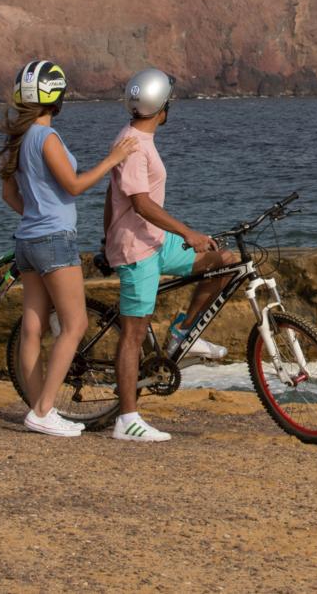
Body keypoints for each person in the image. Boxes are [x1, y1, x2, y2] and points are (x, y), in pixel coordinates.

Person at [0, 59, 137, 437]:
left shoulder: (20, 139)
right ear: (55, 98)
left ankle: (37, 409)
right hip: (54, 240)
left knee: (33, 326)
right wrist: (113, 160)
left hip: (27, 240)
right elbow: (73, 186)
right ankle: (43, 411)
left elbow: (9, 193)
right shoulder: (47, 138)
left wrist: (37, 214)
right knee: (75, 324)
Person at [103, 67, 240, 443]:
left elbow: (109, 196)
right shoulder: (133, 144)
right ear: (163, 107)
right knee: (132, 335)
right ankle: (126, 419)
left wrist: (105, 237)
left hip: (156, 242)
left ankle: (184, 333)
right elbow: (141, 203)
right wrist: (187, 232)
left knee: (225, 262)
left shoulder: (139, 139)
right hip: (138, 249)